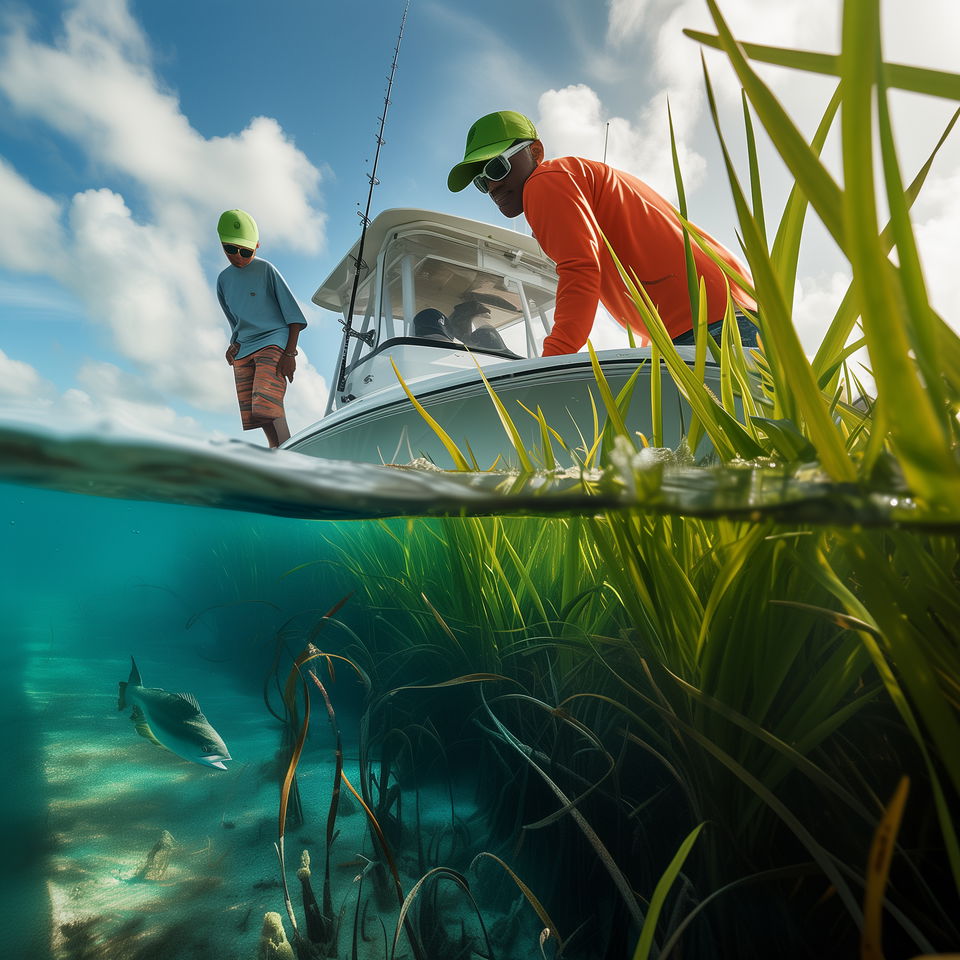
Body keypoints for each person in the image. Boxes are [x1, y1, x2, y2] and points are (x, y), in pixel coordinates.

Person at [447, 111, 757, 357]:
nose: (493, 186)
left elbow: (580, 270)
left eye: (497, 168)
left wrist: (555, 357)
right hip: (722, 314)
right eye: (481, 181)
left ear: (535, 152)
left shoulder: (545, 181)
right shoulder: (574, 178)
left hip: (712, 322)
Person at [216, 209, 307, 448]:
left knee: (268, 404)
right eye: (230, 249)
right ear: (222, 244)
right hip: (245, 346)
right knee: (256, 413)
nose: (238, 256)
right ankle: (275, 452)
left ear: (257, 246)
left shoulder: (266, 270)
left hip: (274, 341)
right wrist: (232, 344)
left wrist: (289, 354)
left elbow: (295, 317)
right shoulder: (223, 281)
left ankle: (289, 457)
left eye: (246, 251)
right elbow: (234, 321)